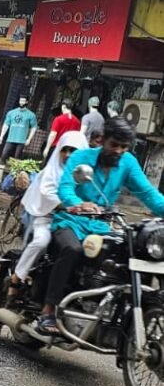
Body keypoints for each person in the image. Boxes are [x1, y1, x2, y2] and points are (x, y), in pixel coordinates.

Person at [34, 116, 164, 334]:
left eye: (124, 146)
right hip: (71, 222)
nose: (119, 150)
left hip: (102, 227)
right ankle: (48, 311)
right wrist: (78, 204)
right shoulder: (81, 158)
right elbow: (66, 188)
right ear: (102, 140)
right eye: (114, 145)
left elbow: (148, 194)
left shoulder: (127, 163)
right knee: (71, 249)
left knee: (128, 257)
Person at [5, 131, 87, 297]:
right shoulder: (51, 171)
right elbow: (48, 194)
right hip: (47, 217)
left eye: (74, 151)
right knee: (41, 242)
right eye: (65, 150)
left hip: (75, 221)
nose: (68, 155)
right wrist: (71, 205)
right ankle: (17, 277)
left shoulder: (85, 173)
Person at [0, 96, 37, 162]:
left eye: (23, 101)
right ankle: (0, 172)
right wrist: (1, 136)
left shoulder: (31, 115)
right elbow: (6, 125)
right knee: (3, 155)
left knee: (17, 159)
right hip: (10, 138)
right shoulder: (11, 113)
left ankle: (13, 172)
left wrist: (29, 139)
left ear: (26, 102)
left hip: (21, 140)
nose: (21, 102)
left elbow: (34, 127)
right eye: (20, 101)